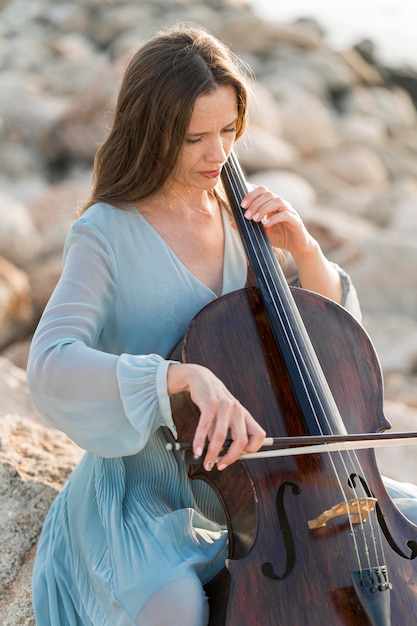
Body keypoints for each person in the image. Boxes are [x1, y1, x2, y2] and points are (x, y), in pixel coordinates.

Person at [26, 23, 414, 626]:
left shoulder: (243, 218)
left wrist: (304, 251)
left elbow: (330, 357)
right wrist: (177, 379)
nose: (219, 155)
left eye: (229, 131)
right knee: (177, 608)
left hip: (269, 481)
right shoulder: (105, 232)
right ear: (152, 133)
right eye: (195, 138)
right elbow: (49, 363)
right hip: (148, 497)